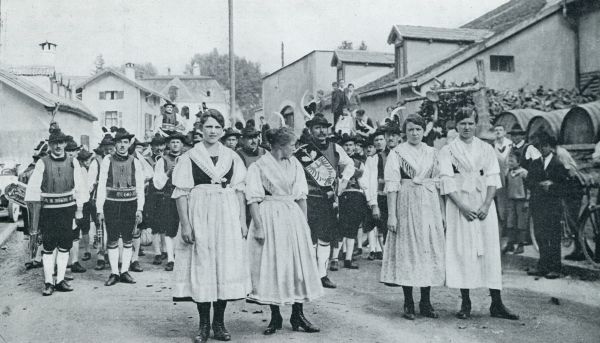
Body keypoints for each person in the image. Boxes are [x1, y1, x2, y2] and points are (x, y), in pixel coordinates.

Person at [172, 109, 249, 343]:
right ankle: (203, 325)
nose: (213, 131)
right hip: (200, 213)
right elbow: (180, 194)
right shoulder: (189, 157)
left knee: (223, 266)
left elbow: (239, 191)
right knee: (203, 265)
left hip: (226, 214)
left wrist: (242, 222)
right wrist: (186, 225)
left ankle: (220, 323)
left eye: (217, 127)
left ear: (223, 130)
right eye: (208, 127)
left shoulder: (232, 157)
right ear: (200, 130)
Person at [438, 107, 518, 320]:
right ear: (456, 125)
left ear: (476, 125)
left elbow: (492, 178)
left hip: (483, 206)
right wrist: (463, 206)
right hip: (460, 206)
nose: (466, 127)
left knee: (490, 251)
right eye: (462, 123)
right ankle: (465, 302)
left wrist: (486, 205)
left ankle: (497, 303)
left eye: (470, 123)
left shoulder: (486, 148)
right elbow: (446, 182)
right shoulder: (448, 150)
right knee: (463, 251)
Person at [246, 127, 323, 335]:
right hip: (270, 215)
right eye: (292, 145)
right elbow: (253, 199)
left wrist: (304, 225)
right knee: (274, 264)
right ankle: (275, 316)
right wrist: (259, 227)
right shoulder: (259, 166)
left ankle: (298, 315)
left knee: (296, 265)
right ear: (280, 146)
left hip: (292, 216)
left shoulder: (295, 163)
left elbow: (301, 197)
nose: (295, 148)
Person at [380, 115, 445, 320]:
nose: (415, 133)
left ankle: (425, 301)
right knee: (408, 250)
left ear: (424, 130)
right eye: (410, 130)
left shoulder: (433, 153)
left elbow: (438, 183)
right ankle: (408, 301)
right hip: (406, 204)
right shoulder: (397, 153)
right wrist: (392, 215)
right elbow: (392, 186)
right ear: (404, 132)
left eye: (418, 129)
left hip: (429, 204)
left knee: (427, 250)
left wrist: (441, 213)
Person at [24, 130, 86, 296]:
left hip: (68, 209)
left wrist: (79, 209)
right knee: (49, 247)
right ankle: (48, 282)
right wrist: (35, 216)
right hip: (49, 211)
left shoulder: (74, 162)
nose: (58, 146)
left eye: (61, 142)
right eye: (54, 143)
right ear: (50, 145)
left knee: (65, 245)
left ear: (65, 144)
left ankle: (60, 280)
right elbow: (33, 190)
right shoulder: (42, 162)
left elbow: (80, 188)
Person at [298, 114, 354, 289]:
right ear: (310, 130)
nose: (322, 131)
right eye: (317, 128)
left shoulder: (336, 148)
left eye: (324, 127)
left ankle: (322, 274)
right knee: (309, 238)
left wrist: (344, 181)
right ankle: (309, 274)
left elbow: (350, 164)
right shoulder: (303, 151)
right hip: (308, 200)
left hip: (328, 200)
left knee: (325, 237)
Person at [96, 128, 145, 286]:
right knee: (112, 239)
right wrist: (99, 209)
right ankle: (114, 273)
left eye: (125, 142)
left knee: (128, 238)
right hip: (111, 204)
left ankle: (124, 271)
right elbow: (101, 185)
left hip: (130, 204)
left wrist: (140, 208)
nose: (122, 145)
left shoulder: (135, 161)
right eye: (119, 142)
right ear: (115, 144)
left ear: (129, 144)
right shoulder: (107, 160)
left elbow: (140, 188)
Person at [526, 132, 569, 279]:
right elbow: (529, 182)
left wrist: (552, 186)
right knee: (540, 235)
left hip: (552, 205)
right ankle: (542, 266)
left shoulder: (558, 163)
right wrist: (539, 185)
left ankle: (555, 267)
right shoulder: (535, 163)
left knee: (553, 236)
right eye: (540, 147)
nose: (543, 149)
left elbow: (565, 186)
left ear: (551, 148)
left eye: (546, 146)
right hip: (538, 204)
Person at [332, 134, 373, 270]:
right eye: (346, 145)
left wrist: (369, 200)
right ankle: (334, 258)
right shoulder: (336, 162)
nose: (348, 148)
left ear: (354, 147)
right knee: (340, 227)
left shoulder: (359, 163)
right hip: (341, 195)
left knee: (353, 228)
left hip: (356, 196)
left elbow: (365, 182)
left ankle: (348, 258)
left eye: (351, 145)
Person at [152, 132, 185, 271]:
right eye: (172, 142)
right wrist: (167, 174)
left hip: (184, 197)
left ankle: (183, 258)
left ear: (182, 145)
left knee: (184, 227)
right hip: (168, 197)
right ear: (168, 145)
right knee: (169, 229)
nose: (175, 144)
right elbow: (157, 183)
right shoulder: (162, 160)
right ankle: (171, 259)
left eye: (178, 142)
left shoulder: (187, 159)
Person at [90, 134, 115, 270]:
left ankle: (111, 255)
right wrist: (97, 183)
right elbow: (90, 182)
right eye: (106, 148)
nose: (109, 151)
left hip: (114, 199)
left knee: (113, 228)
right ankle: (100, 256)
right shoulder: (97, 162)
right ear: (102, 149)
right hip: (99, 199)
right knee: (100, 228)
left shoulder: (117, 161)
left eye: (111, 148)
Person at [70, 149, 94, 273]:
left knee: (84, 227)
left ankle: (84, 253)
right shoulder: (77, 169)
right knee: (74, 230)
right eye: (85, 160)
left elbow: (86, 188)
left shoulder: (84, 169)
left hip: (85, 202)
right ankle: (71, 260)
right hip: (77, 202)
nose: (87, 162)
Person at [365, 129, 387, 260]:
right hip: (378, 197)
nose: (379, 142)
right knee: (380, 226)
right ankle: (386, 256)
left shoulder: (392, 156)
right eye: (376, 140)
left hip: (391, 196)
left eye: (381, 139)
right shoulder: (371, 160)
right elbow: (369, 182)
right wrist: (373, 203)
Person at [503, 150, 529, 255]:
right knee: (510, 221)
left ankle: (521, 244)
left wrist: (527, 200)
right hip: (511, 200)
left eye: (512, 160)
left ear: (518, 162)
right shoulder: (508, 172)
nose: (510, 162)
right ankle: (510, 243)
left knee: (521, 223)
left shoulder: (524, 173)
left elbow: (528, 187)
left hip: (521, 200)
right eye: (509, 160)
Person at [493, 124, 513, 240]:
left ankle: (511, 232)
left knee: (511, 203)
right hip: (499, 178)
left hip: (510, 177)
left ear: (505, 132)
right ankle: (502, 228)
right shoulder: (492, 146)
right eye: (496, 130)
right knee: (501, 203)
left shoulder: (510, 144)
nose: (498, 132)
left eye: (500, 130)